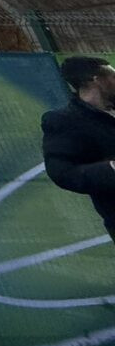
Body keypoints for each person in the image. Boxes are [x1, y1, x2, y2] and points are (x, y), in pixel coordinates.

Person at [42, 56, 115, 239]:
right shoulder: (66, 121)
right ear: (96, 79)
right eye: (112, 74)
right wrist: (110, 169)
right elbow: (63, 173)